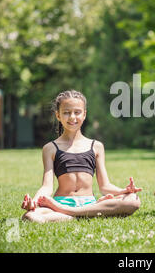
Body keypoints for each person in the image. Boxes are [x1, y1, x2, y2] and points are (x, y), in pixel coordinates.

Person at [21, 90, 141, 223]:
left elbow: (105, 186)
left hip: (82, 204)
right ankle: (87, 214)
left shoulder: (96, 146)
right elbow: (47, 187)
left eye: (77, 112)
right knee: (30, 216)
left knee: (133, 200)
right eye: (66, 113)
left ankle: (71, 215)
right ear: (58, 115)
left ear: (84, 114)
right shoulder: (50, 148)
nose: (72, 117)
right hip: (62, 202)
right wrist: (35, 201)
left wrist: (124, 191)